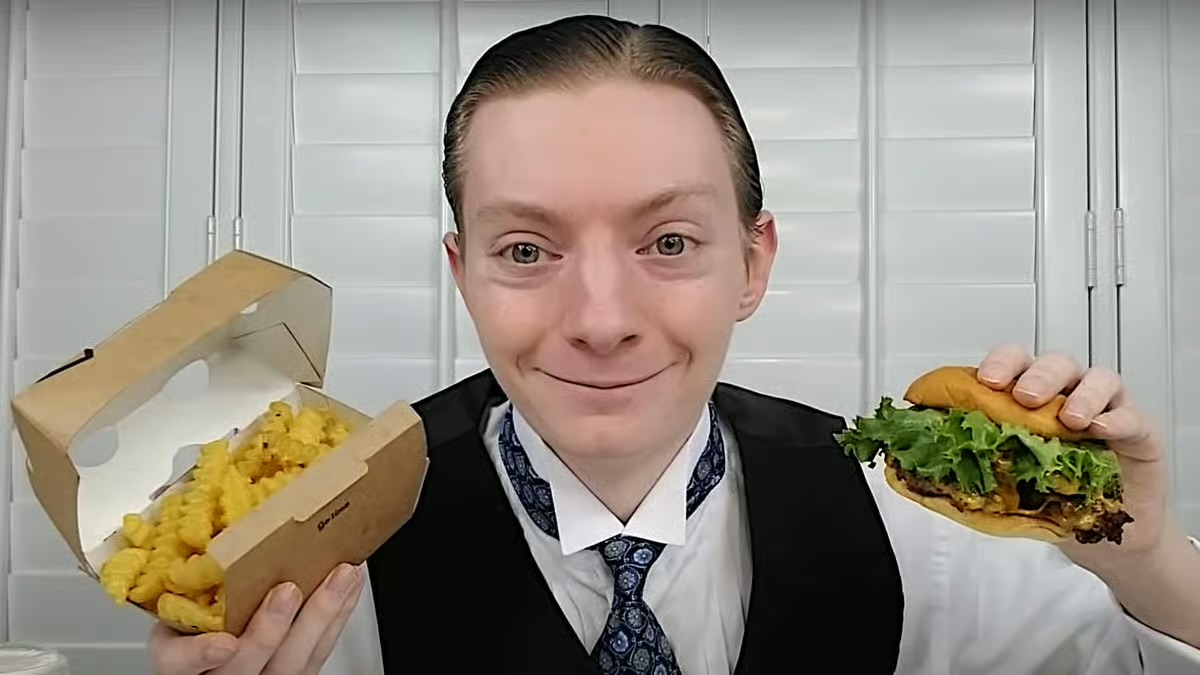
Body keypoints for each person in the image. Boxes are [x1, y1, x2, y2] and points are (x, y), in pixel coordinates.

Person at [147, 15, 1200, 675]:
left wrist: (1150, 561)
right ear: (464, 274)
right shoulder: (316, 561)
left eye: (668, 242)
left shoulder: (913, 525)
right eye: (527, 250)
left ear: (752, 263)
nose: (602, 319)